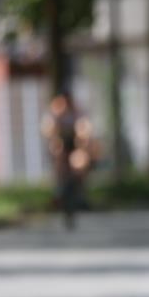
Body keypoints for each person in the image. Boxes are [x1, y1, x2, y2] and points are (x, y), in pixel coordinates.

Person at [41, 93, 94, 229]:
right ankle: (59, 190)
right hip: (60, 148)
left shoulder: (77, 114)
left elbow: (84, 131)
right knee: (58, 155)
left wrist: (82, 140)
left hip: (75, 146)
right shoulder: (53, 115)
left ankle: (80, 192)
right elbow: (48, 132)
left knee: (80, 161)